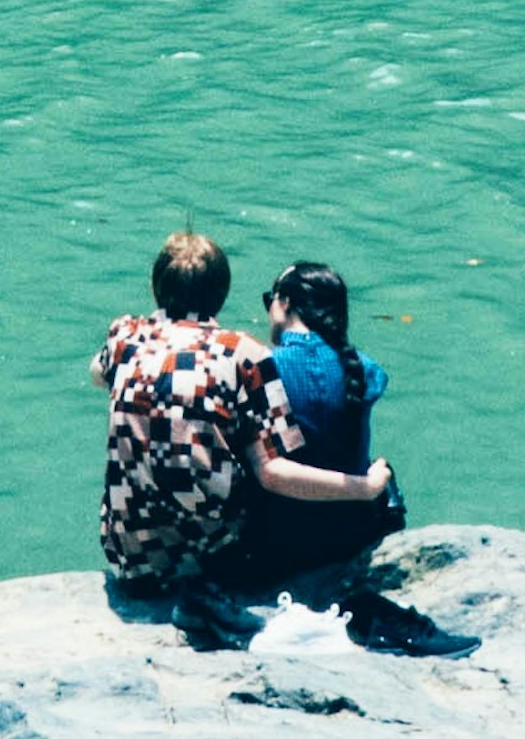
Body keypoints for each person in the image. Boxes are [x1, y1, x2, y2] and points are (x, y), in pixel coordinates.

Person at [90, 227, 394, 631]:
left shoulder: (125, 335)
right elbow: (272, 474)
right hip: (211, 558)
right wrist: (367, 487)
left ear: (155, 287)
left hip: (131, 559)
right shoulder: (243, 353)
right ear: (223, 292)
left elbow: (98, 372)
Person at [238, 258, 404, 598]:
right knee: (383, 467)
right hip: (352, 537)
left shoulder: (264, 369)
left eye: (271, 300)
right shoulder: (365, 368)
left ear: (284, 304)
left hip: (280, 546)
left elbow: (268, 471)